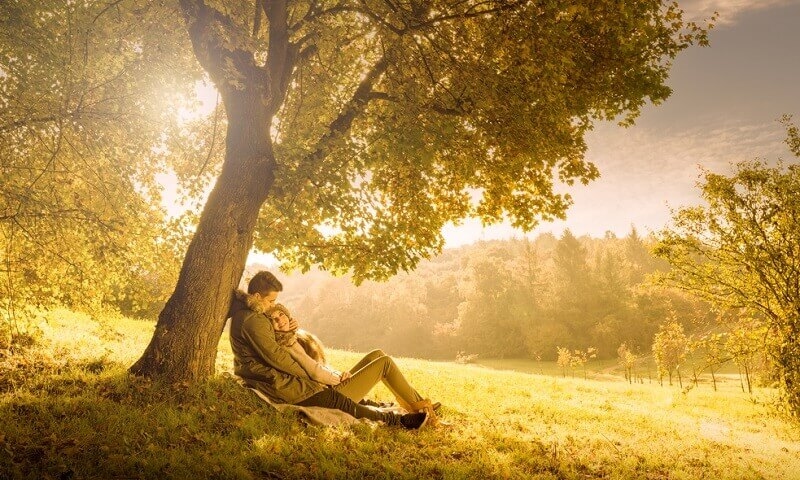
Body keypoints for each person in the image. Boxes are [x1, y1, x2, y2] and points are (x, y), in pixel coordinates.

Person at [229, 271, 435, 429]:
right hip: (315, 384)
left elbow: (310, 363)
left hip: (320, 380)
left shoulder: (271, 326)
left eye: (280, 313)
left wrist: (292, 330)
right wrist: (326, 380)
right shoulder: (256, 322)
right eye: (271, 303)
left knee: (377, 355)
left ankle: (417, 404)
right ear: (257, 296)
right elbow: (290, 362)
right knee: (385, 363)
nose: (275, 311)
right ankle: (416, 409)